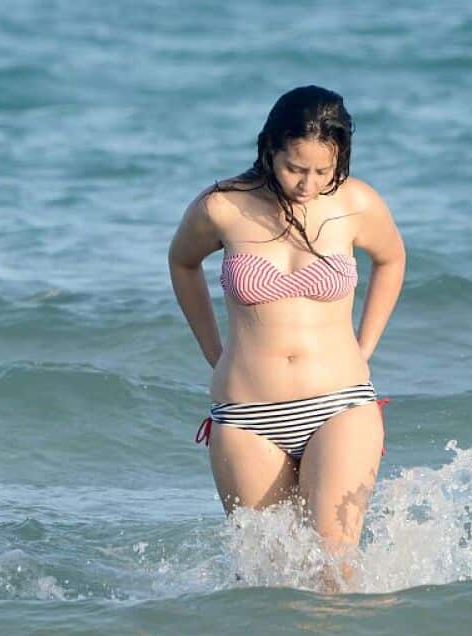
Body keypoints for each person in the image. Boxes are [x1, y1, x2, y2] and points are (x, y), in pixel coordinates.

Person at [169, 86, 406, 584]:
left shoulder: (356, 202)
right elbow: (182, 262)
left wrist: (365, 346)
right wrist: (213, 350)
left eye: (323, 170)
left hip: (340, 404)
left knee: (334, 569)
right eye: (295, 167)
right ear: (270, 148)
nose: (308, 183)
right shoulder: (223, 207)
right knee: (266, 579)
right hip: (246, 416)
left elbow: (391, 259)